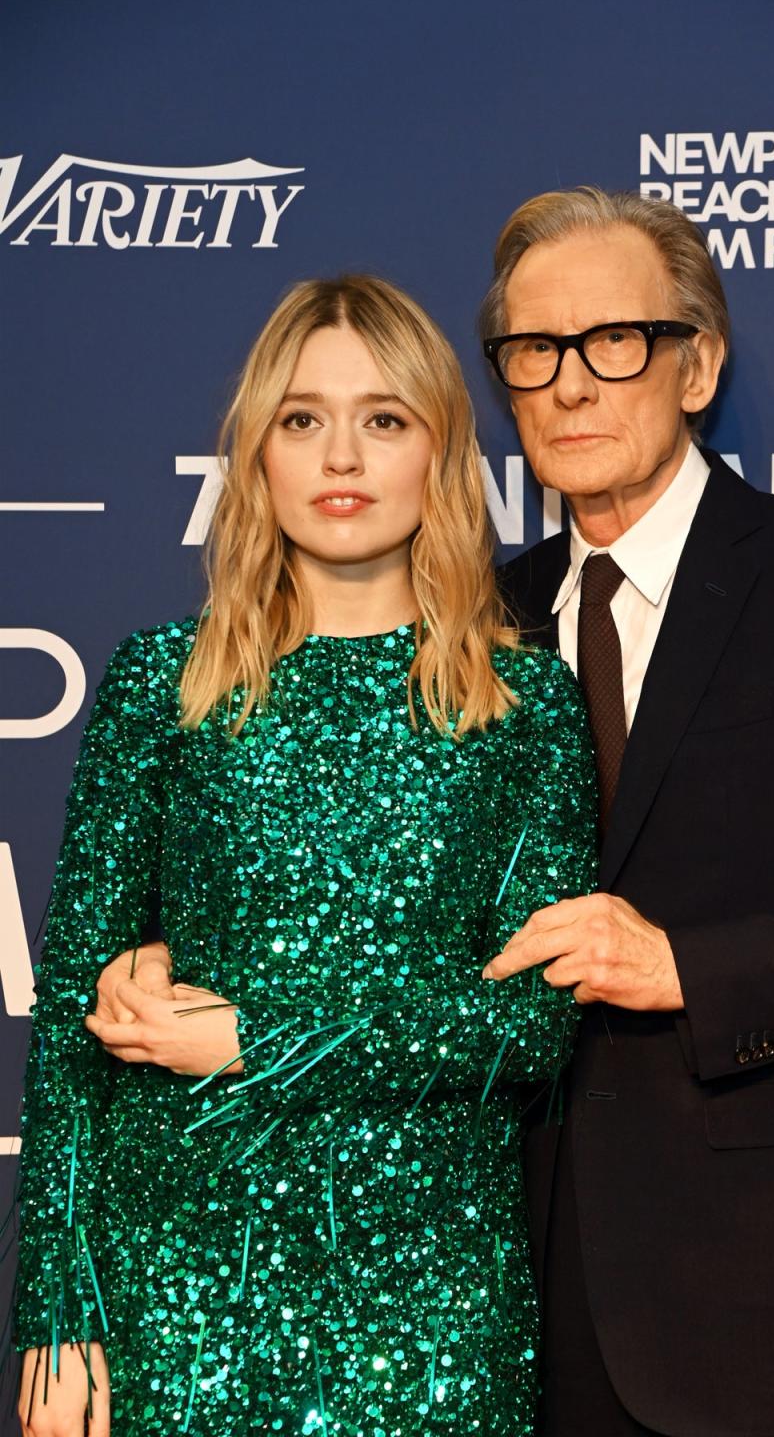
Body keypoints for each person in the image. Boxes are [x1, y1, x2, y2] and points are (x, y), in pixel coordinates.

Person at [14, 274, 597, 1437]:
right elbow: (77, 1019)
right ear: (257, 455)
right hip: (174, 1276)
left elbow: (529, 1025)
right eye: (301, 418)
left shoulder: (524, 703)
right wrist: (56, 1307)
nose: (342, 455)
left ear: (440, 454)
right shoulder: (159, 686)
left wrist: (254, 1041)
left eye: (384, 419)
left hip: (432, 1288)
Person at [479, 188, 774, 1437]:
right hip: (494, 1311)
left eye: (613, 341)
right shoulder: (478, 621)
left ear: (698, 365)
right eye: (534, 352)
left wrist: (688, 967)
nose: (571, 385)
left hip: (754, 1318)